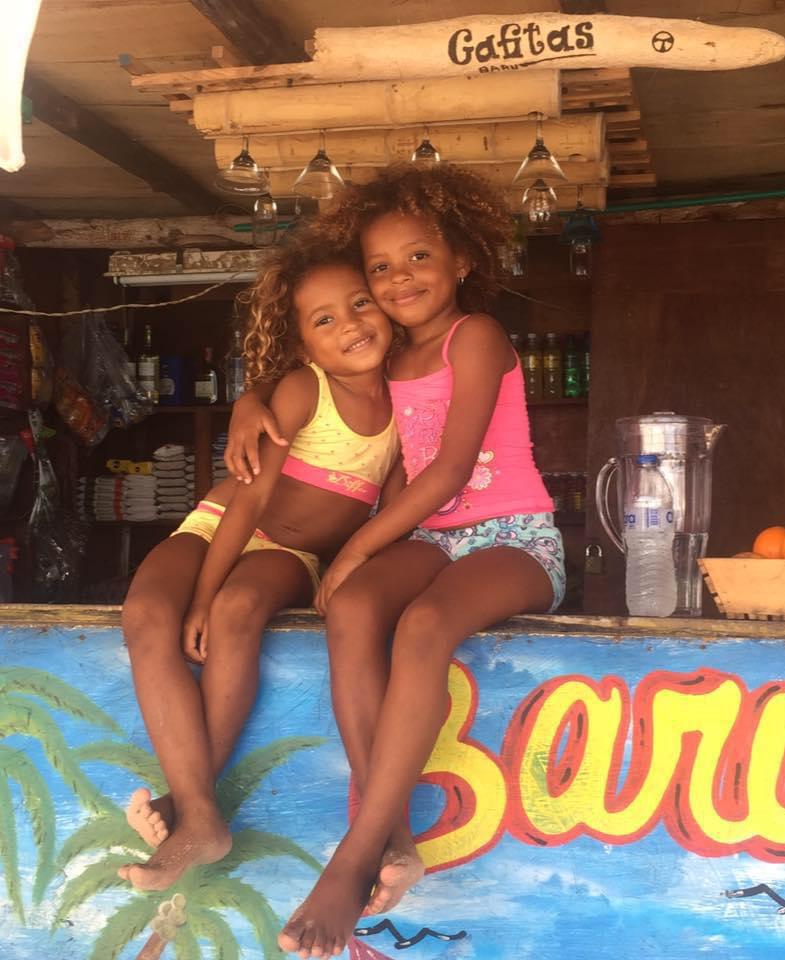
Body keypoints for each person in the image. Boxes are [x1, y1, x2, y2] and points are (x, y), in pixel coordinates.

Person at [226, 165, 565, 958]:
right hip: (433, 539)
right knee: (348, 608)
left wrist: (359, 546)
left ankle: (356, 852)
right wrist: (250, 398)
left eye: (418, 258)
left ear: (462, 263)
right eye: (380, 267)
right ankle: (397, 841)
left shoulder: (474, 336)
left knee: (423, 627)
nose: (397, 278)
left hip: (513, 535)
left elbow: (449, 472)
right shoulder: (383, 361)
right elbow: (304, 383)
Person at [118, 226, 399, 892]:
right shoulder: (305, 387)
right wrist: (195, 601)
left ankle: (190, 809)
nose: (350, 325)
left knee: (240, 608)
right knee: (146, 611)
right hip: (222, 522)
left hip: (294, 552)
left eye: (361, 303)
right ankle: (200, 817)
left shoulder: (408, 403)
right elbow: (248, 501)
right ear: (304, 341)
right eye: (325, 319)